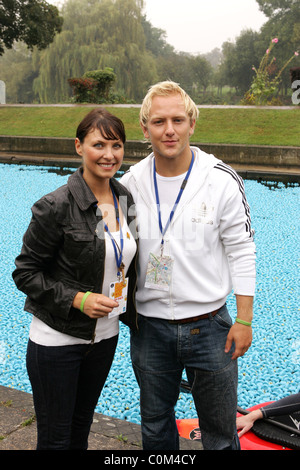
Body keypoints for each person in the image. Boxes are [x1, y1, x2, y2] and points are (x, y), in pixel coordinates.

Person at [120, 81, 256, 450]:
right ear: (144, 128)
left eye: (178, 120)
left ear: (192, 124)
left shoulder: (220, 180)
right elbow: (118, 256)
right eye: (159, 121)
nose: (169, 130)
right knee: (155, 429)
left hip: (210, 327)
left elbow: (242, 249)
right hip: (150, 329)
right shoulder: (129, 185)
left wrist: (244, 319)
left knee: (220, 434)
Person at [12, 108, 137, 450]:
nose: (109, 155)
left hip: (105, 337)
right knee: (55, 439)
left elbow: (125, 259)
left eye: (116, 145)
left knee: (81, 428)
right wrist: (78, 299)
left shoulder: (125, 198)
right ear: (79, 146)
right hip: (58, 340)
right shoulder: (54, 205)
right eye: (99, 145)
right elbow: (25, 272)